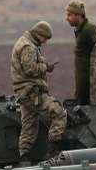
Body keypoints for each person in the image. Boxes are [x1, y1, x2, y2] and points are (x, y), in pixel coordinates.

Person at [10, 21, 67, 162]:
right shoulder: (28, 47)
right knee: (58, 112)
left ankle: (24, 156)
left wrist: (45, 64)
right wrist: (45, 67)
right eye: (45, 38)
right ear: (39, 34)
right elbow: (30, 69)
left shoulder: (26, 42)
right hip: (31, 92)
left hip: (24, 92)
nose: (46, 41)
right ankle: (52, 151)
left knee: (29, 124)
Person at [65, 0, 96, 105]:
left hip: (90, 83)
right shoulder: (80, 30)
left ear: (78, 15)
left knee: (90, 109)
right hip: (82, 81)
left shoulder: (89, 30)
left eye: (69, 15)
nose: (66, 18)